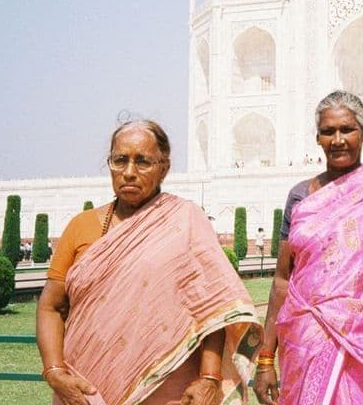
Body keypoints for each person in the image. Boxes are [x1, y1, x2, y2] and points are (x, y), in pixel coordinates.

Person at [36, 120, 262, 405]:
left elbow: (213, 309)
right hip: (85, 389)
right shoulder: (81, 226)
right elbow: (51, 306)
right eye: (120, 161)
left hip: (168, 389)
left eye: (142, 162)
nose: (129, 172)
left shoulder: (186, 221)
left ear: (163, 168)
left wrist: (209, 378)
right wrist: (55, 371)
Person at [253, 91, 363, 405]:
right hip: (306, 339)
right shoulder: (300, 196)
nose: (338, 140)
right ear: (318, 138)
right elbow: (283, 279)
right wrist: (266, 358)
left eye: (347, 129)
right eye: (328, 131)